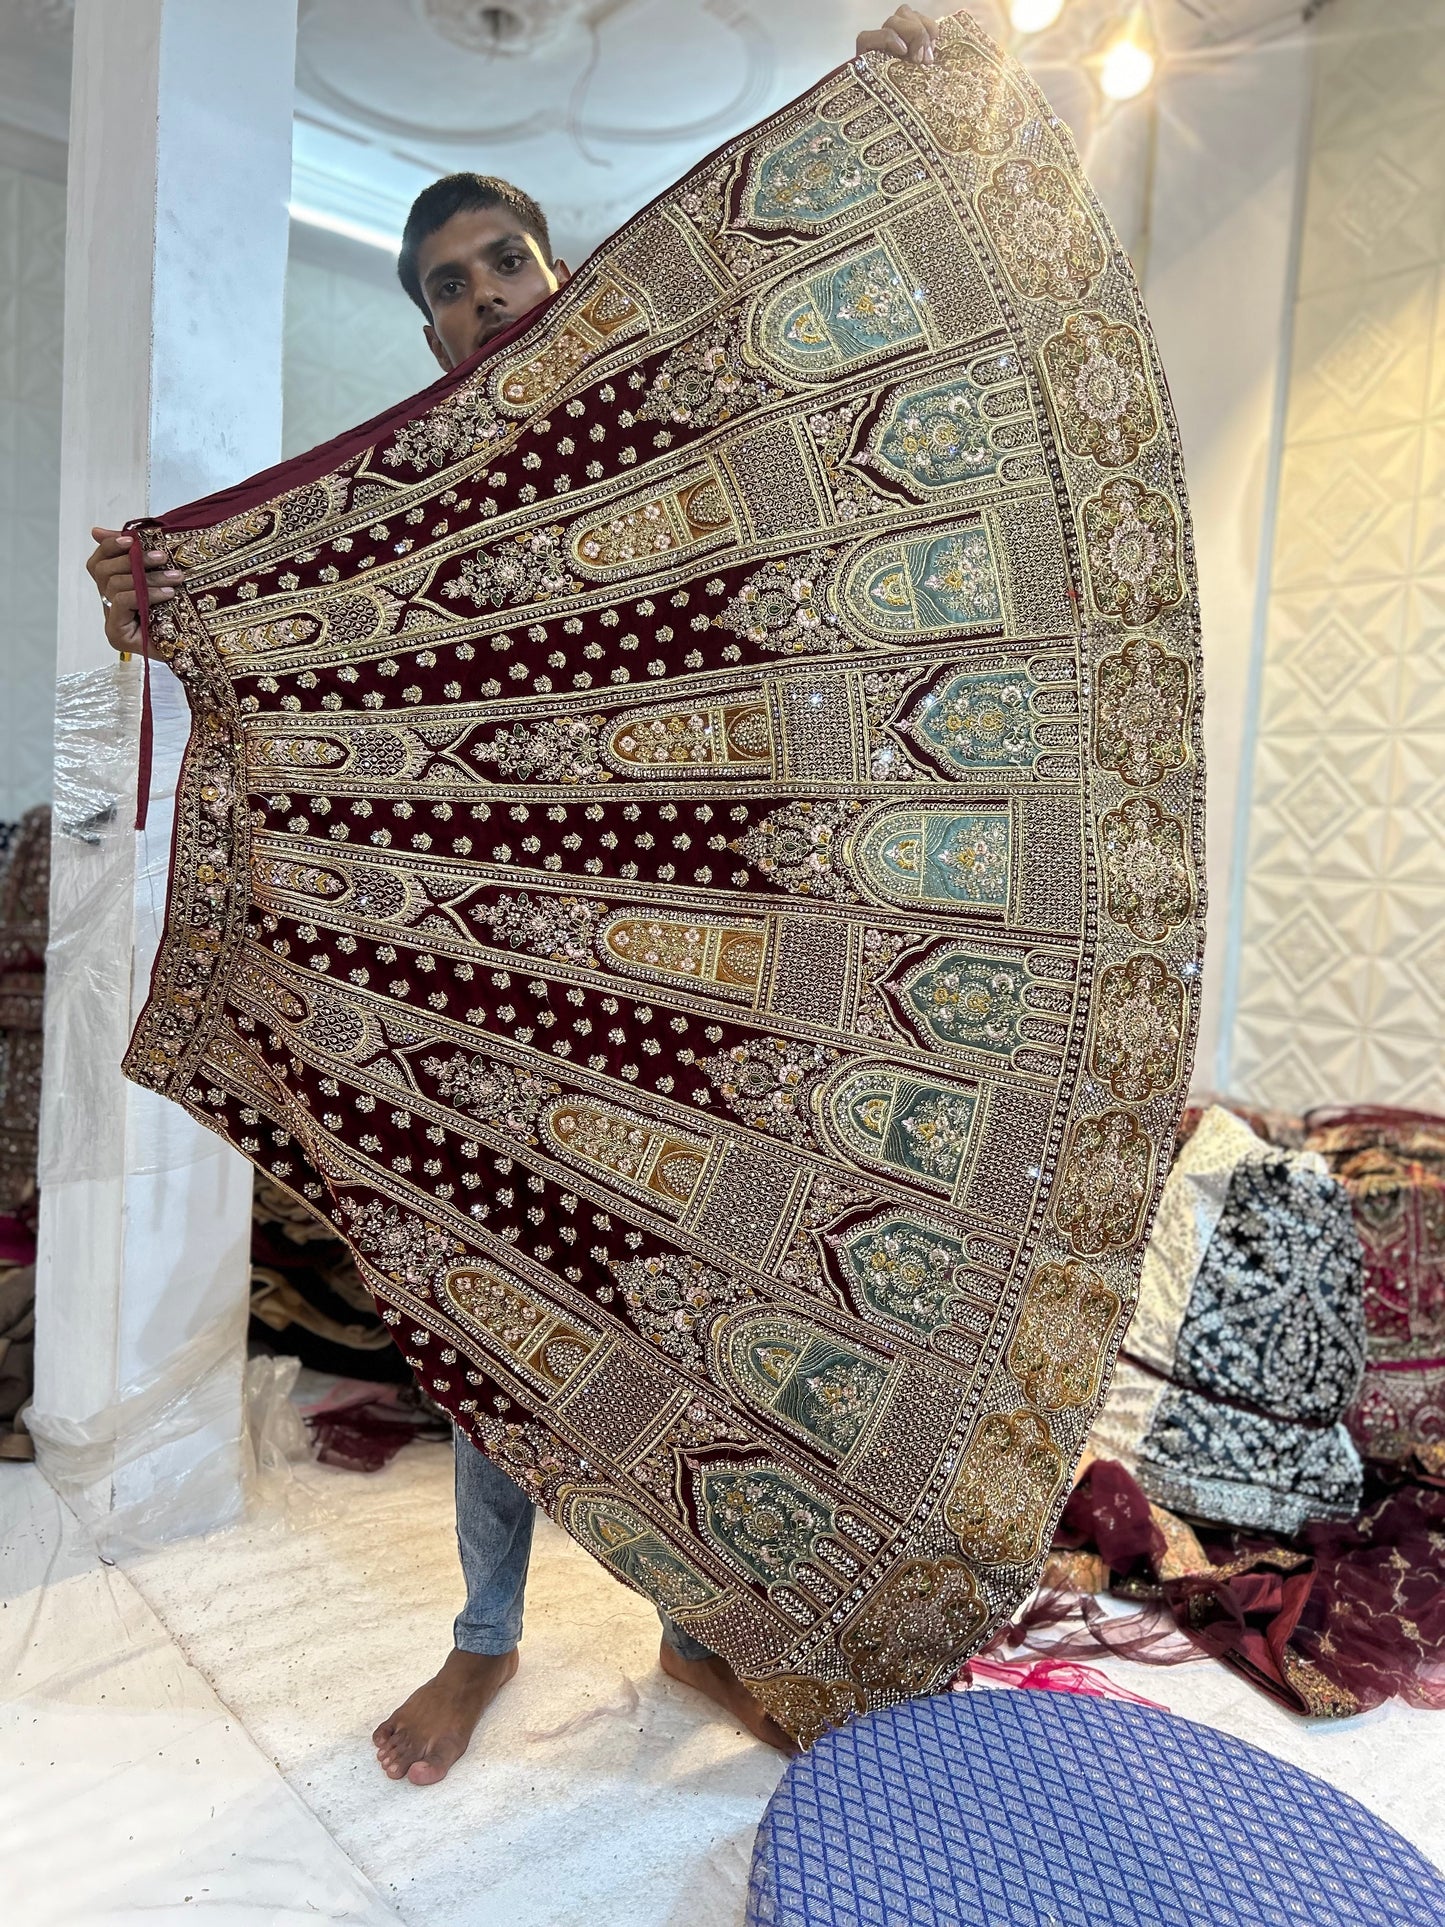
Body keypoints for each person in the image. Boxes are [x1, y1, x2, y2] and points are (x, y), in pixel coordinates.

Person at [87, 6, 942, 1786]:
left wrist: (915, 112)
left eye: (506, 261)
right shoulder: (412, 517)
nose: (486, 296)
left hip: (714, 950)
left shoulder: (668, 427)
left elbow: (829, 384)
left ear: (559, 274)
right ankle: (485, 1640)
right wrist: (170, 603)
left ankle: (702, 1629)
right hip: (506, 980)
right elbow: (321, 670)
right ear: (426, 332)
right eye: (453, 287)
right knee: (502, 1300)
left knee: (701, 1304)